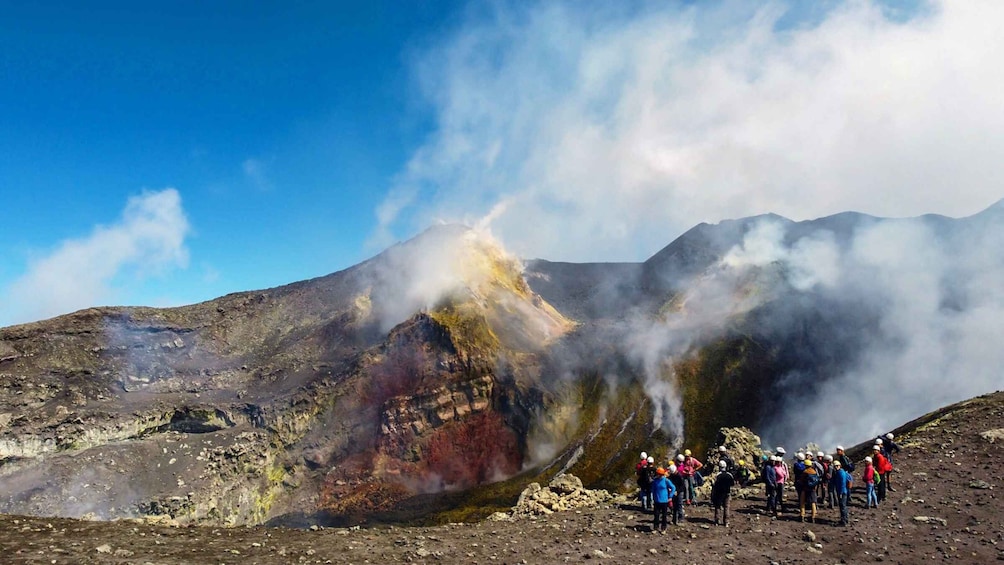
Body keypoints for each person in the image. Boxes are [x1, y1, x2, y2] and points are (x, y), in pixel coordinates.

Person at [711, 460, 736, 526]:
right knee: (726, 507)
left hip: (719, 493)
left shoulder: (718, 475)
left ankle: (717, 521)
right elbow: (732, 484)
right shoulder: (729, 475)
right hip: (727, 493)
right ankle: (726, 522)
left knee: (718, 506)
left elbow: (715, 484)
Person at [650, 467, 675, 533]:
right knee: (656, 515)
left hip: (664, 501)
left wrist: (670, 496)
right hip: (656, 500)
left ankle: (663, 528)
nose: (657, 475)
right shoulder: (655, 481)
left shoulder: (666, 481)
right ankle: (656, 527)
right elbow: (653, 489)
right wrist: (652, 498)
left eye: (659, 474)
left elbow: (673, 487)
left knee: (664, 515)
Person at [829, 459, 853, 526]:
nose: (836, 467)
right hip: (843, 491)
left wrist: (840, 493)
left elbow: (842, 484)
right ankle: (845, 519)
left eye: (837, 466)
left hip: (842, 492)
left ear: (839, 466)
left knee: (842, 506)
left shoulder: (840, 473)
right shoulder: (842, 472)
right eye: (835, 466)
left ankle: (844, 521)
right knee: (843, 506)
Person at [799, 457, 820, 523]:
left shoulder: (805, 472)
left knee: (802, 502)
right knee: (813, 503)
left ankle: (802, 516)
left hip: (805, 489)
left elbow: (801, 480)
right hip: (813, 490)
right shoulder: (814, 472)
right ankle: (813, 517)